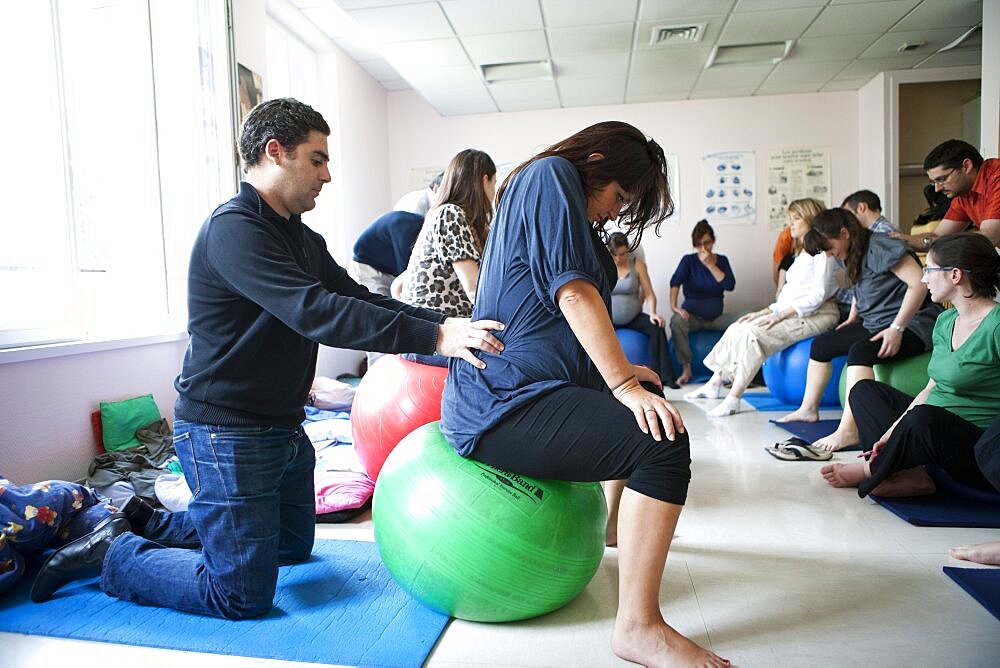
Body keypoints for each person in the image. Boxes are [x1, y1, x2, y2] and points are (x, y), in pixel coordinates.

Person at [29, 98, 505, 616]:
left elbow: (357, 298)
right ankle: (114, 554)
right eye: (317, 159)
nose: (327, 174)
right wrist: (437, 337)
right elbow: (315, 311)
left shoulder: (302, 238)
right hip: (225, 430)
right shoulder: (234, 230)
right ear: (275, 153)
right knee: (239, 593)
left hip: (281, 426)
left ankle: (146, 520)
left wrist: (438, 327)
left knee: (290, 548)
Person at [440, 121, 729, 667]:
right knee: (662, 440)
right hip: (502, 401)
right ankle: (639, 628)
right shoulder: (550, 177)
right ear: (595, 162)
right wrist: (618, 382)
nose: (615, 213)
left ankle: (619, 526)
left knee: (644, 398)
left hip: (533, 389)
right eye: (619, 197)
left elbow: (553, 319)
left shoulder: (564, 205)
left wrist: (621, 376)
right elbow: (572, 294)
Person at [819, 233, 1000, 503]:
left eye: (929, 269)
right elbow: (930, 388)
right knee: (863, 391)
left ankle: (872, 470)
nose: (923, 278)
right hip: (927, 425)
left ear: (955, 275)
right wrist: (891, 433)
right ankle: (905, 473)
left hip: (973, 446)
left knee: (924, 418)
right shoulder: (945, 320)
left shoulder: (996, 325)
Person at [777, 208, 942, 451]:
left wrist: (897, 328)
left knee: (860, 352)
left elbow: (918, 283)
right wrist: (854, 317)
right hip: (875, 322)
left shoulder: (881, 246)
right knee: (822, 345)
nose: (830, 254)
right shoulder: (852, 250)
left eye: (830, 247)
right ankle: (808, 409)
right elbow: (861, 286)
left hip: (914, 323)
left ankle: (849, 431)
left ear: (844, 233)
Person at [685, 198, 839, 417]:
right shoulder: (802, 253)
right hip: (795, 311)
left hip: (818, 314)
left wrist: (779, 316)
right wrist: (766, 312)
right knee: (739, 326)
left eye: (796, 218)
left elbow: (818, 295)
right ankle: (715, 383)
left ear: (811, 220)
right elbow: (790, 295)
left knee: (754, 335)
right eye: (790, 219)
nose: (791, 224)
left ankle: (734, 398)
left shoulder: (823, 253)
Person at [399, 149, 496, 321]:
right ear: (484, 180)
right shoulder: (450, 214)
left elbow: (398, 286)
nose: (494, 192)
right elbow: (474, 288)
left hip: (438, 326)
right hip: (436, 331)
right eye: (494, 183)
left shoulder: (450, 216)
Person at [349, 209, 426, 367]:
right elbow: (407, 287)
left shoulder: (421, 229)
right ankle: (378, 378)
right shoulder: (407, 230)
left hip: (388, 268)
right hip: (367, 267)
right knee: (378, 324)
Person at [891, 139, 999, 248]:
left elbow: (989, 236)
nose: (937, 189)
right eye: (934, 182)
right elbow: (938, 235)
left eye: (942, 179)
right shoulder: (963, 193)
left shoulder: (996, 177)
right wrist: (904, 241)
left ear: (966, 166)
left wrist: (928, 242)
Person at [669, 219, 738, 385]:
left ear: (713, 241)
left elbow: (730, 285)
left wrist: (710, 265)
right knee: (676, 321)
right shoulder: (688, 261)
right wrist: (674, 307)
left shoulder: (721, 260)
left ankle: (735, 371)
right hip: (693, 318)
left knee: (747, 318)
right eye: (699, 245)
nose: (703, 248)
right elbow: (675, 282)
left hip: (716, 319)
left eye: (707, 243)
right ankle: (687, 368)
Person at [608, 232, 679, 388]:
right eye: (615, 255)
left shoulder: (637, 264)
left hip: (633, 317)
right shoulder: (604, 265)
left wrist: (653, 313)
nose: (619, 259)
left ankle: (665, 377)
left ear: (628, 250)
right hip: (609, 319)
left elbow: (650, 294)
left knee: (657, 326)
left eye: (623, 254)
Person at [835, 190, 897, 321]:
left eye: (849, 216)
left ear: (861, 207)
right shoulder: (876, 233)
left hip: (878, 311)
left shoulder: (882, 235)